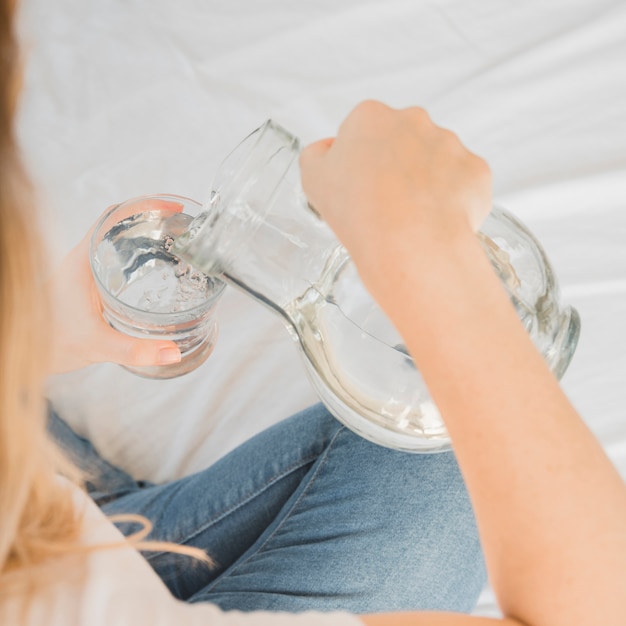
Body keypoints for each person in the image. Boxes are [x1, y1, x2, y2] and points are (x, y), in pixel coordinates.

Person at [1, 4, 625, 626]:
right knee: (460, 442)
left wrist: (33, 340)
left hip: (33, 492)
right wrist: (425, 246)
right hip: (59, 559)